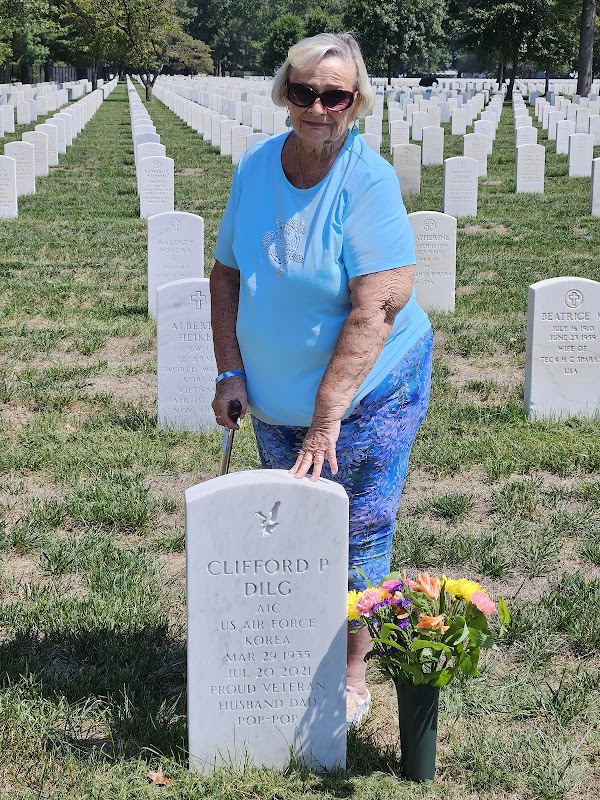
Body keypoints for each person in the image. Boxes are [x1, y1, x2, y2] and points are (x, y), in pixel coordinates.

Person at [210, 32, 433, 727]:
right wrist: (229, 369)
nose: (317, 106)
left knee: (358, 526)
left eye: (334, 95)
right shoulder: (254, 169)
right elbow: (226, 274)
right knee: (295, 529)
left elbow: (378, 306)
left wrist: (328, 415)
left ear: (354, 102)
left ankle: (351, 672)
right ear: (286, 95)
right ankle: (292, 652)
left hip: (368, 394)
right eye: (304, 91)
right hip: (275, 402)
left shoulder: (366, 182)